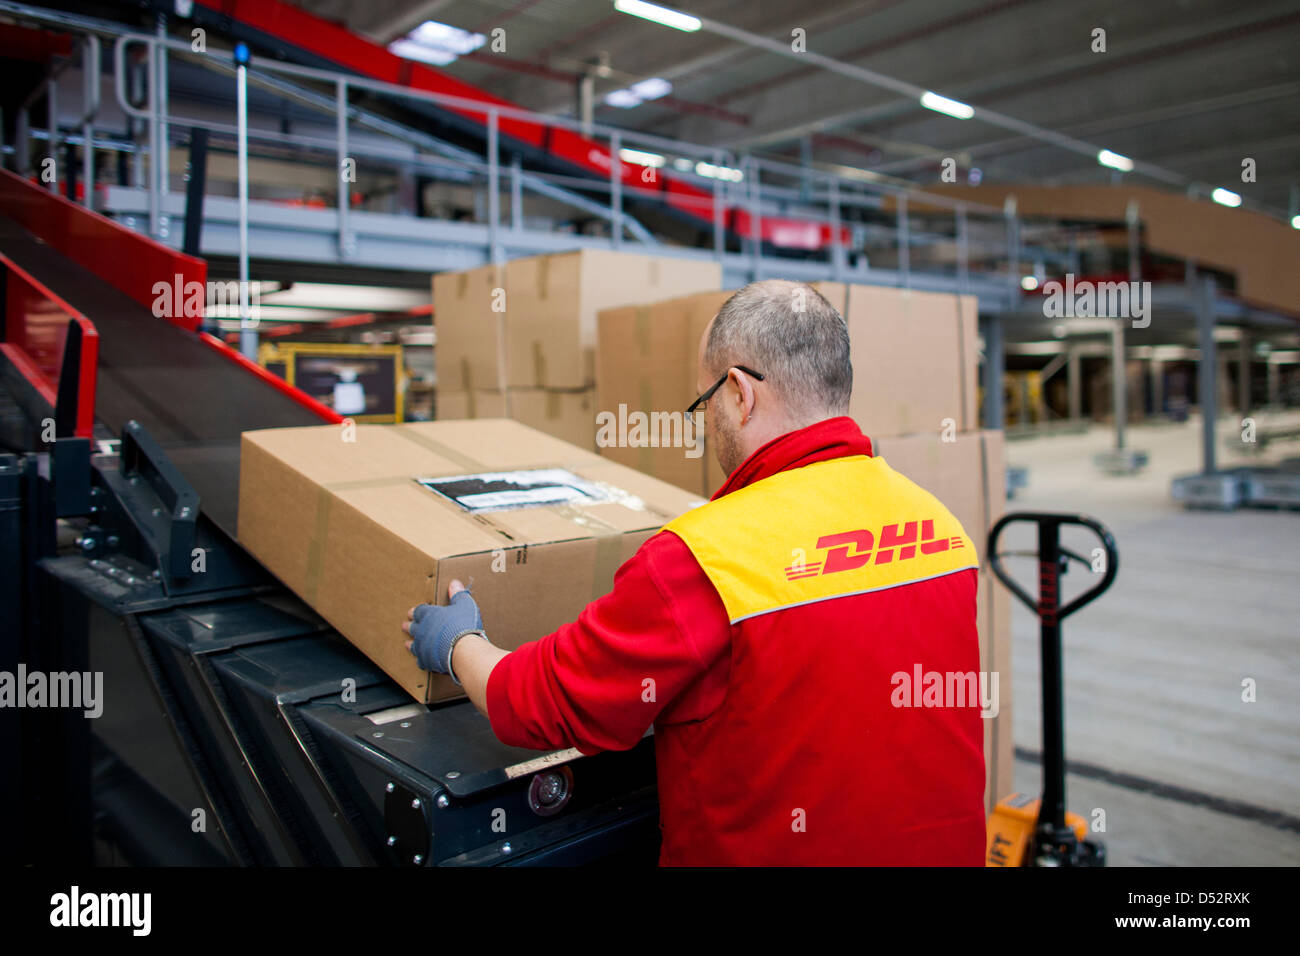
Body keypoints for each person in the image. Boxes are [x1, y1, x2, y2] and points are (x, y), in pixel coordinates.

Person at [404, 279, 987, 865]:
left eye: (704, 402)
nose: (708, 422)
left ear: (739, 392)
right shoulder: (939, 527)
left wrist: (455, 642)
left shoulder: (706, 556)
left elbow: (538, 702)